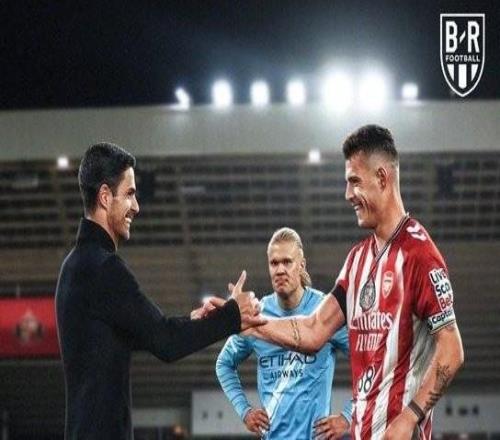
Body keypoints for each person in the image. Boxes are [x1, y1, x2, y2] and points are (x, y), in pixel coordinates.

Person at [244, 125, 464, 439]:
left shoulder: (419, 255)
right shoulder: (357, 259)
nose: (348, 194)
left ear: (382, 178)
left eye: (354, 181)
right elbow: (314, 329)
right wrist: (245, 323)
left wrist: (409, 417)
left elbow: (452, 351)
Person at [55, 142, 264, 440]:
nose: (136, 206)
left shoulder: (74, 266)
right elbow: (166, 342)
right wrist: (233, 315)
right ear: (105, 196)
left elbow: (144, 331)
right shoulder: (104, 269)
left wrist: (194, 321)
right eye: (129, 193)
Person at [216, 227, 352, 439]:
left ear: (301, 265)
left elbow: (370, 364)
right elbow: (223, 364)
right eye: (274, 263)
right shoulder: (256, 315)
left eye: (287, 262)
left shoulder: (325, 312)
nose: (280, 270)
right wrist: (245, 411)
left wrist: (348, 417)